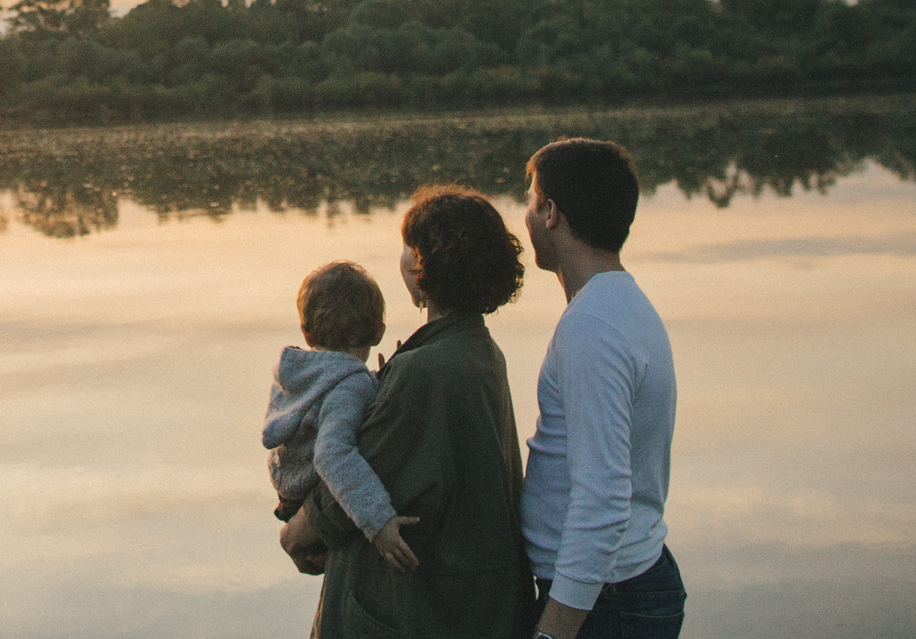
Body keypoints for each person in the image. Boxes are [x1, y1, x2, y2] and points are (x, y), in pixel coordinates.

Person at [280, 186, 539, 639]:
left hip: (417, 612)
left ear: (424, 264)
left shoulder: (425, 371)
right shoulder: (480, 351)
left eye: (406, 246)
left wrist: (293, 533)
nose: (400, 257)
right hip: (469, 606)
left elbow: (343, 490)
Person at [518, 139, 682, 639]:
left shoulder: (592, 328)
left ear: (551, 213)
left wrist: (553, 633)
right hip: (616, 586)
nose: (525, 216)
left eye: (530, 201)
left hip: (606, 602)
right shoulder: (620, 304)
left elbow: (603, 499)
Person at [263, 260, 420, 571]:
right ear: (378, 331)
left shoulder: (302, 374)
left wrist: (376, 384)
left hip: (288, 487)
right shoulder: (349, 387)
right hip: (309, 492)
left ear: (307, 334)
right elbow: (332, 455)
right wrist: (379, 522)